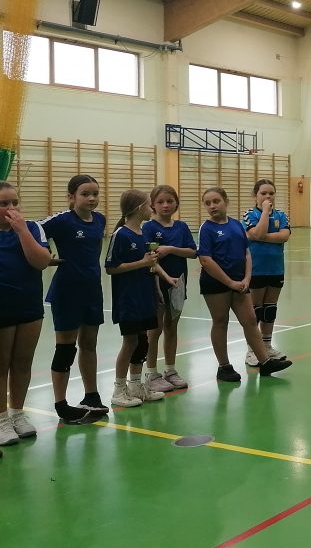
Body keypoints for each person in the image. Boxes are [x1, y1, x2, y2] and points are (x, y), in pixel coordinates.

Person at [197, 187, 292, 381]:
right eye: (208, 203)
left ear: (226, 201)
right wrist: (229, 282)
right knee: (220, 321)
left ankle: (265, 362)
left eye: (216, 201)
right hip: (216, 283)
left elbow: (246, 253)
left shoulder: (236, 225)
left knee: (250, 320)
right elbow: (206, 260)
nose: (212, 206)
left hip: (240, 282)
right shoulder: (206, 228)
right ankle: (224, 367)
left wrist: (247, 279)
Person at [39, 174, 108, 423]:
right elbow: (33, 229)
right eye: (85, 194)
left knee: (89, 343)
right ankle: (61, 404)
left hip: (92, 291)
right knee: (66, 348)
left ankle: (92, 396)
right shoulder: (62, 220)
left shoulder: (100, 220)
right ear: (71, 197)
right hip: (67, 291)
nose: (91, 198)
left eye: (95, 194)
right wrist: (44, 252)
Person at [105, 189, 172, 407]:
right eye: (149, 204)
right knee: (130, 342)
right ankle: (119, 389)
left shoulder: (142, 233)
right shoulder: (121, 234)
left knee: (142, 342)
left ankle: (135, 385)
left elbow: (150, 263)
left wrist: (162, 282)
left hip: (145, 295)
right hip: (128, 298)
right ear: (139, 208)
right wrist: (142, 263)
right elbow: (111, 267)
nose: (152, 208)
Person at [0, 181, 51, 445]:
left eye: (15, 202)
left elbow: (41, 261)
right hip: (2, 307)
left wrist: (21, 231)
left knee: (22, 363)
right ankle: (1, 420)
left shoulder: (32, 228)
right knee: (1, 364)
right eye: (4, 203)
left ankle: (17, 414)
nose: (11, 208)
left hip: (29, 305)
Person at [142, 185, 196, 392]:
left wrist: (171, 249)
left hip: (178, 283)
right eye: (160, 202)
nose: (165, 205)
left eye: (170, 201)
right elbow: (150, 257)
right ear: (153, 205)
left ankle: (170, 370)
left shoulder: (181, 227)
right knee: (154, 330)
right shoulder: (148, 228)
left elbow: (192, 252)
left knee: (172, 327)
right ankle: (151, 373)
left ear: (176, 204)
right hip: (155, 284)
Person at [243, 179, 290, 367]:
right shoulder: (249, 214)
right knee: (255, 311)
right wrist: (264, 212)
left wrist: (261, 236)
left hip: (276, 268)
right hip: (256, 269)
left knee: (270, 309)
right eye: (263, 193)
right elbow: (256, 233)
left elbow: (284, 236)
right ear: (255, 195)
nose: (268, 196)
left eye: (271, 193)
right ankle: (252, 350)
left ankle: (267, 346)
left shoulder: (282, 215)